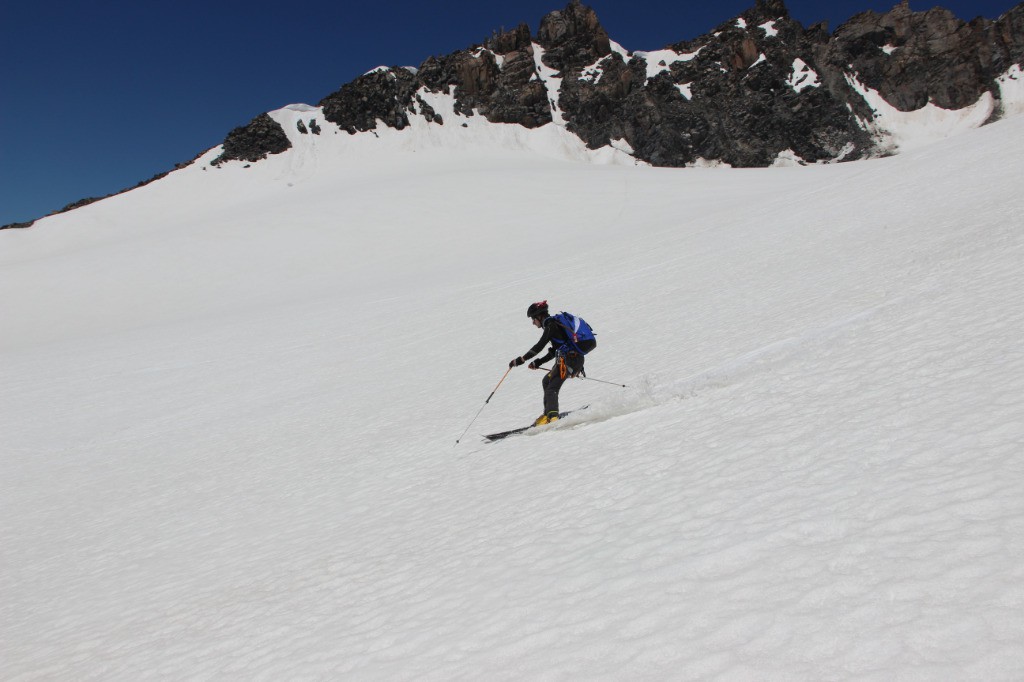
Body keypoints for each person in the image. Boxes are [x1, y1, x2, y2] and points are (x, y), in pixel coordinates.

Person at [509, 301, 596, 426]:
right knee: (546, 381)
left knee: (551, 389)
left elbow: (539, 345)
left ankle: (553, 418)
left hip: (572, 360)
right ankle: (548, 414)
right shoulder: (553, 325)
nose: (533, 322)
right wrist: (538, 362)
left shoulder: (551, 326)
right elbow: (554, 350)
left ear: (539, 316)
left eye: (533, 319)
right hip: (568, 360)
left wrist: (521, 359)